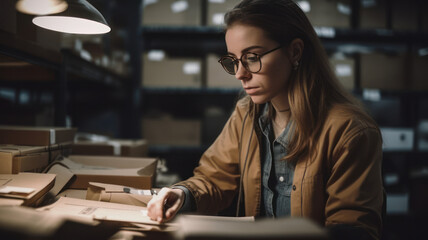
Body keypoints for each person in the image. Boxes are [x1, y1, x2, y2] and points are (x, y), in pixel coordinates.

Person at [147, 0, 384, 239]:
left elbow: (354, 230)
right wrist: (183, 194)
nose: (240, 73)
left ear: (295, 52)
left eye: (252, 57)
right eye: (234, 60)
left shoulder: (350, 131)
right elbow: (215, 178)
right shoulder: (246, 114)